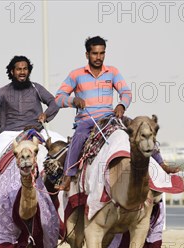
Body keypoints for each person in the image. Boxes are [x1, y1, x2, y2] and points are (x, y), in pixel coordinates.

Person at [54, 36, 132, 191]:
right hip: (86, 121)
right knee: (79, 136)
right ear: (87, 55)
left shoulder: (112, 72)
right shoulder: (76, 75)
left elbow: (126, 92)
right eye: (95, 53)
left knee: (139, 127)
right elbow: (58, 98)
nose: (99, 57)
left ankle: (159, 168)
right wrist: (73, 100)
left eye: (102, 53)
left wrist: (121, 105)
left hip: (109, 119)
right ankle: (68, 176)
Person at [0, 55, 62, 169]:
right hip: (9, 133)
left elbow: (54, 103)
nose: (22, 72)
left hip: (36, 130)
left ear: (29, 71)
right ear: (12, 72)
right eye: (19, 69)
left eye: (25, 69)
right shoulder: (3, 91)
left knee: (64, 146)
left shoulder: (36, 88)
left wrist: (46, 114)